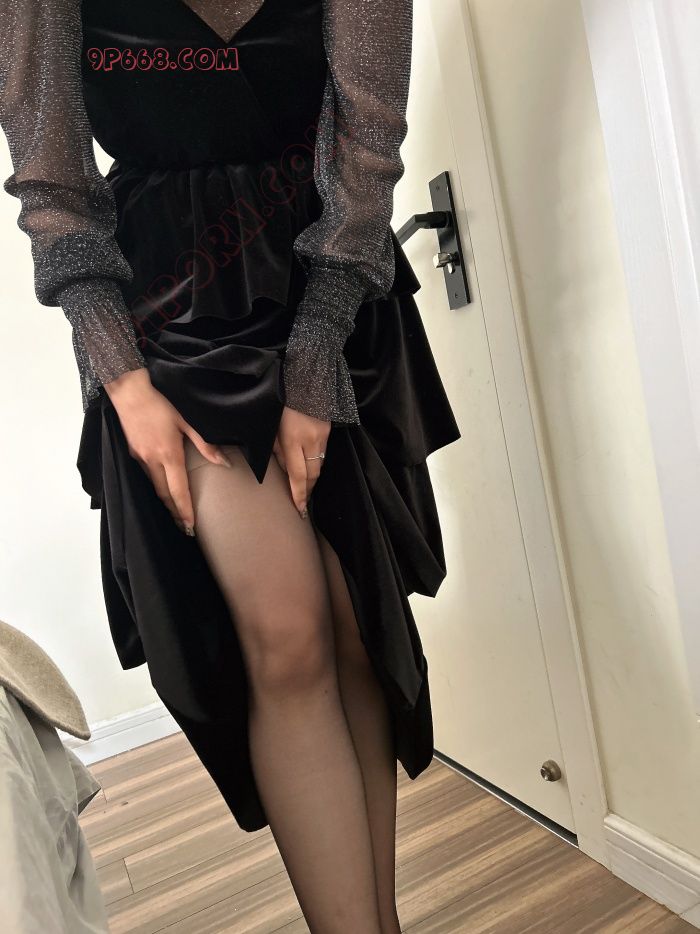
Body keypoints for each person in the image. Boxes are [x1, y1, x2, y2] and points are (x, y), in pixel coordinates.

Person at [0, 1, 461, 931]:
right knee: (287, 634)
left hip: (327, 282)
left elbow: (368, 142)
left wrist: (317, 353)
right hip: (169, 316)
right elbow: (54, 182)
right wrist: (122, 378)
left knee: (354, 623)